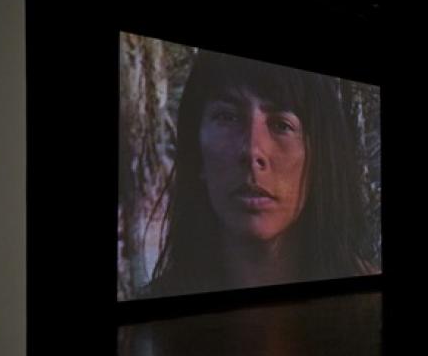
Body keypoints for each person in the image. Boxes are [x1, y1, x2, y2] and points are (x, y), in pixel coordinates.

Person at [146, 49, 375, 298]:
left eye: (281, 125)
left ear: (320, 157)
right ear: (196, 149)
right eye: (228, 117)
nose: (252, 151)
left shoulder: (368, 303)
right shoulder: (149, 323)